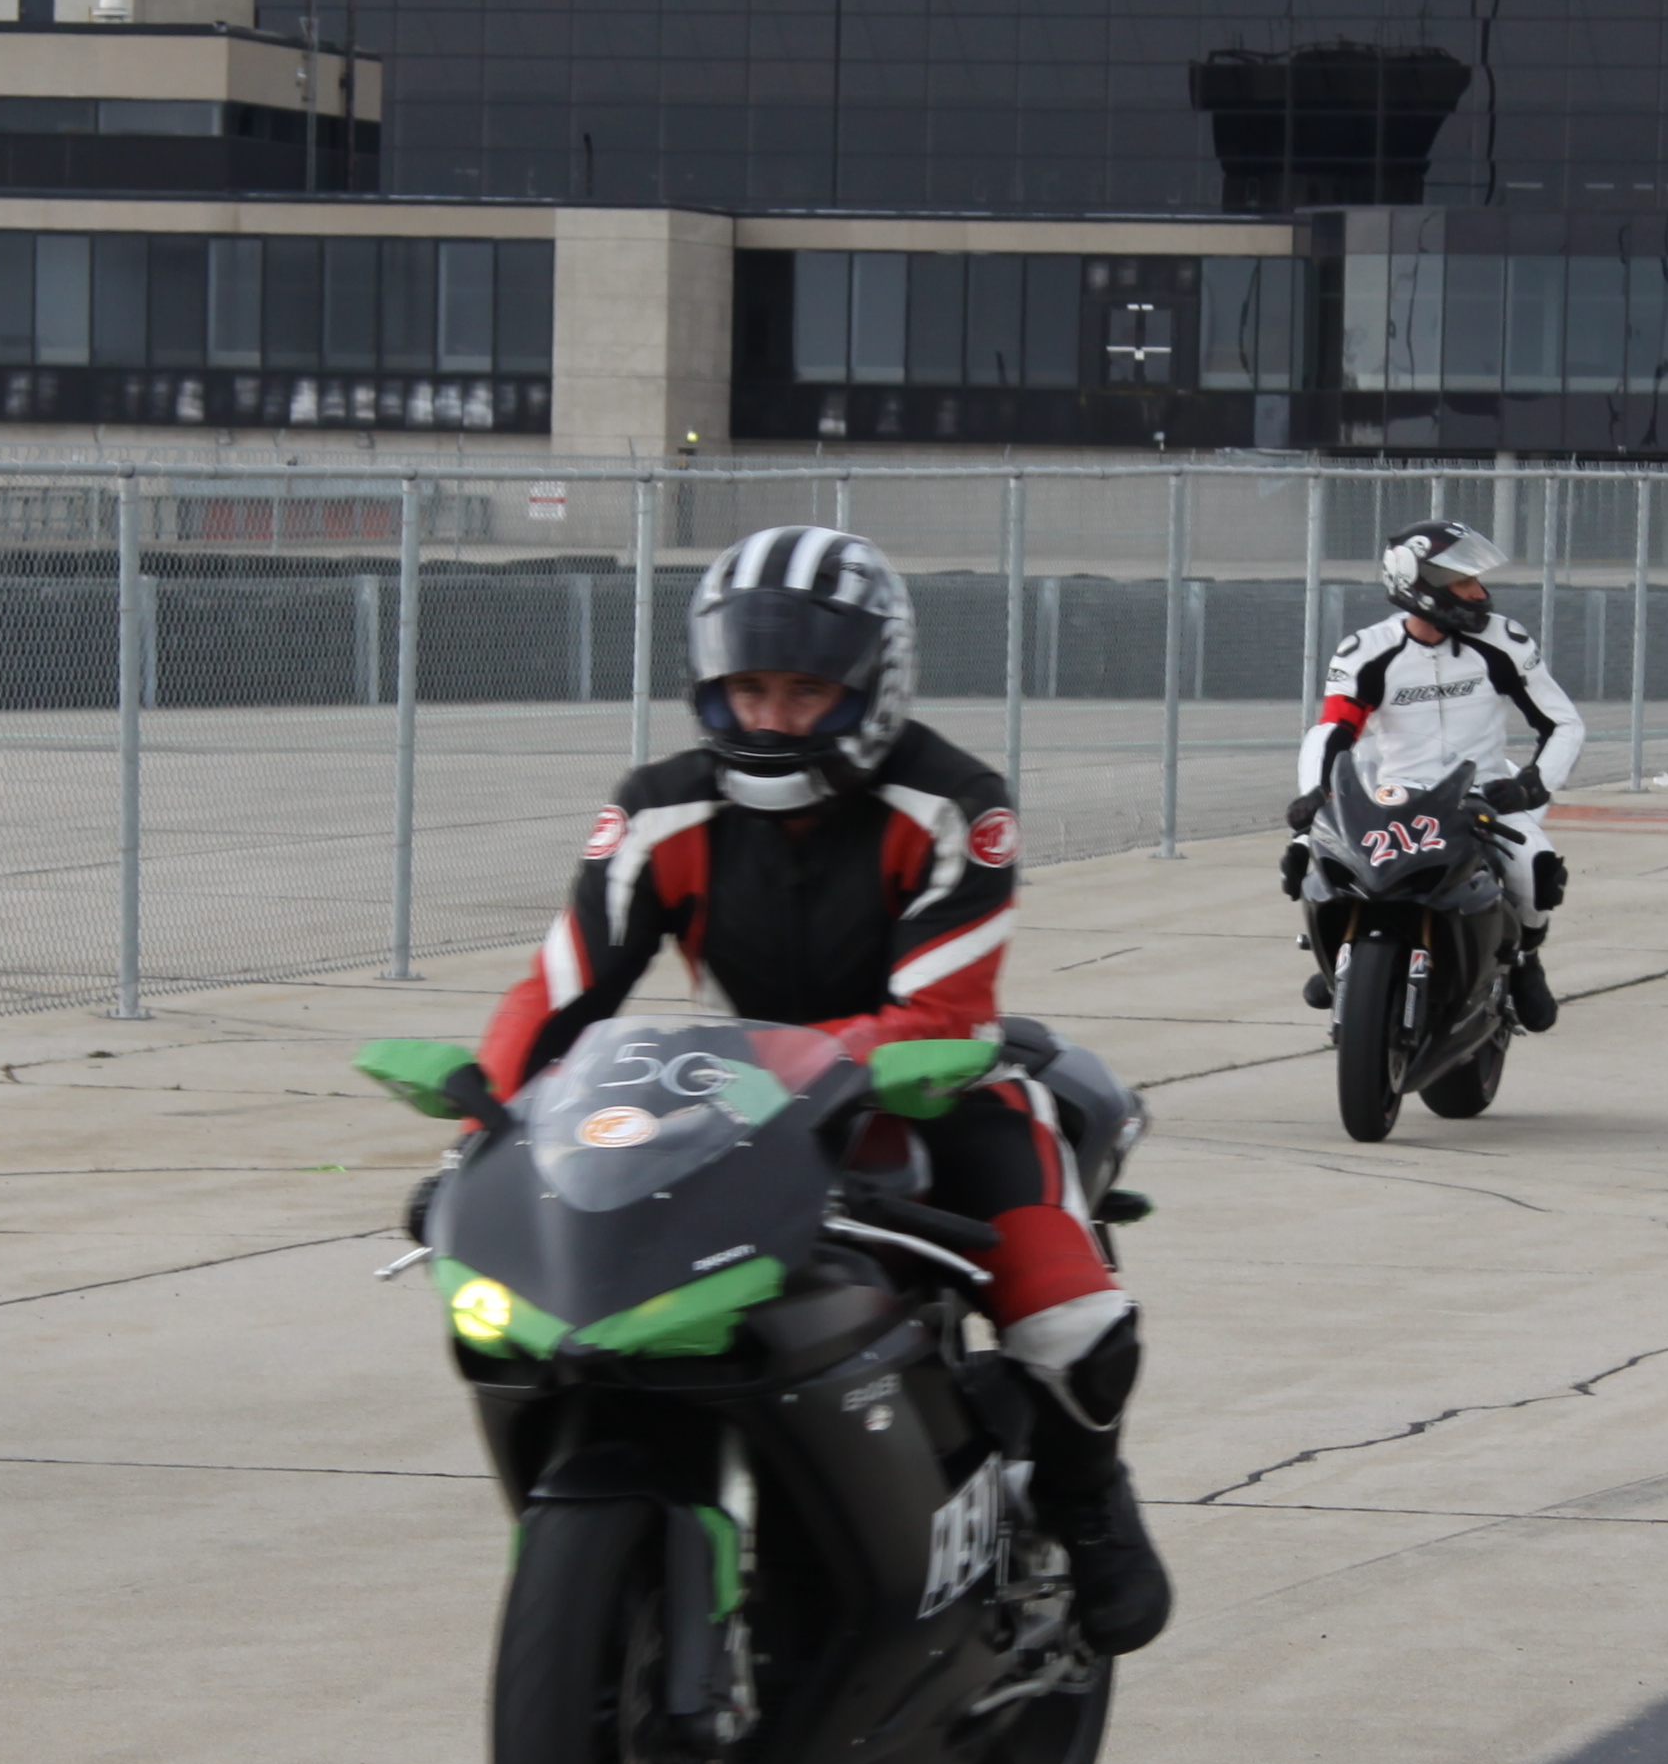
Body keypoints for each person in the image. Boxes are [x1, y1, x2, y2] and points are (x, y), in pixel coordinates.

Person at [468, 525, 1168, 1656]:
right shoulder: (657, 810)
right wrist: (484, 1128)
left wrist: (778, 1074)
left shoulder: (954, 803)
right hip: (727, 1107)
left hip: (937, 1097)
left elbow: (938, 1014)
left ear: (873, 688)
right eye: (748, 690)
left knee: (1071, 1318)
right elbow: (561, 992)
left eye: (806, 692)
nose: (773, 719)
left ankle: (1088, 1499)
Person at [1285, 521, 1585, 1031]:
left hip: (1483, 791)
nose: (1479, 593)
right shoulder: (1367, 652)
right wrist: (1314, 792)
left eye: (1476, 581)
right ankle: (1339, 963)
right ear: (1418, 586)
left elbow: (1562, 723)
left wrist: (1532, 785)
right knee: (1305, 861)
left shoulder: (1503, 642)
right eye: (1463, 582)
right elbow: (1334, 729)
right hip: (1394, 794)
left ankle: (1525, 959)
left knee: (1535, 872)